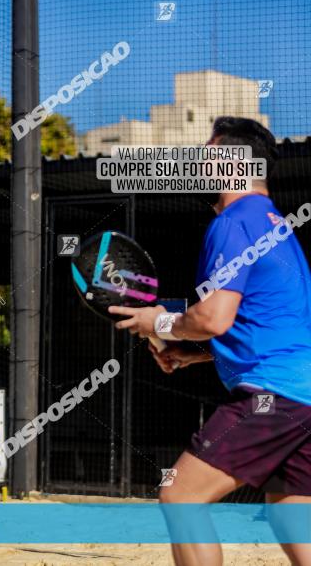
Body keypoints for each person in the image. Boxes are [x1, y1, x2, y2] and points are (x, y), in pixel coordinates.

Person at [110, 117, 311, 565]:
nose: (200, 157)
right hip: (305, 397)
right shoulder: (278, 227)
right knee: (291, 515)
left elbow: (214, 318)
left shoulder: (235, 221)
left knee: (181, 496)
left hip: (274, 396)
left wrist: (159, 322)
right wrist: (193, 354)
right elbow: (271, 329)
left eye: (208, 149)